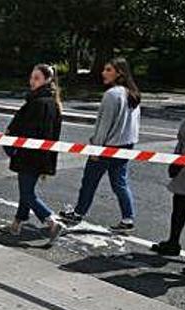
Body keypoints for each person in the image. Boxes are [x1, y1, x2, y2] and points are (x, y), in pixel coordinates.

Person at [60, 57, 142, 232]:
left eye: (108, 70)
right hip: (126, 145)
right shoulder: (133, 94)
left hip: (106, 146)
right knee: (119, 183)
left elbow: (104, 125)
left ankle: (78, 213)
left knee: (89, 181)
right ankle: (128, 218)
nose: (103, 73)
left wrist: (96, 147)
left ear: (119, 73)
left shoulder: (112, 95)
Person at [5, 64, 64, 241]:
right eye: (32, 77)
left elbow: (23, 128)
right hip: (41, 155)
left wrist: (10, 141)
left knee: (27, 193)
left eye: (36, 78)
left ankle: (51, 221)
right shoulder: (53, 103)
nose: (32, 81)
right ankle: (17, 223)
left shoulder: (37, 103)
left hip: (29, 155)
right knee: (26, 190)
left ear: (47, 80)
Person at [151, 114, 185, 257]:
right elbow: (182, 139)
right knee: (179, 205)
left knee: (184, 205)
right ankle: (173, 242)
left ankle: (173, 243)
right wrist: (176, 161)